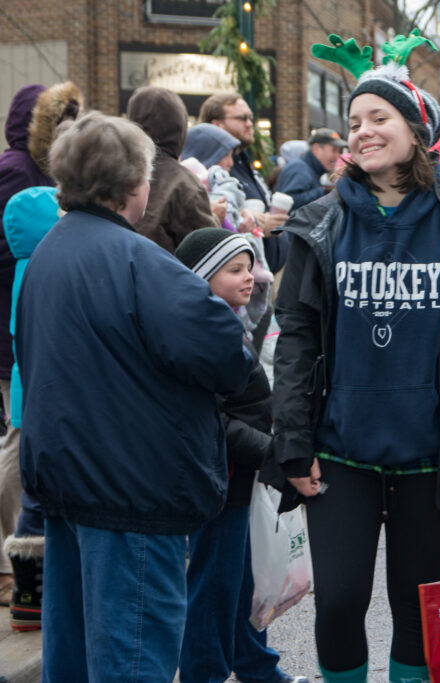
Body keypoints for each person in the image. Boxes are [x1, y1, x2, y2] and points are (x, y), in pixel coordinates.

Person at [272, 34, 440, 683]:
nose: (363, 131)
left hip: (431, 457)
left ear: (417, 129)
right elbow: (295, 335)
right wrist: (292, 440)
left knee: (418, 607)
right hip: (341, 451)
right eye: (355, 121)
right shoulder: (318, 222)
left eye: (379, 117)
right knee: (342, 599)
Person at [16, 111, 252, 680]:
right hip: (134, 491)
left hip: (68, 482)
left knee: (71, 661)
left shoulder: (49, 253)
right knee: (132, 663)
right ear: (132, 186)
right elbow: (226, 354)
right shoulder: (138, 260)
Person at [175, 228, 308, 683]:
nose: (250, 277)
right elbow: (214, 419)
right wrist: (271, 453)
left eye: (250, 266)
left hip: (238, 474)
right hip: (221, 477)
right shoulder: (203, 331)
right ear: (202, 277)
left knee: (240, 582)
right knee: (215, 586)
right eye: (235, 270)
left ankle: (255, 666)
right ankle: (205, 674)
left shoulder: (231, 320)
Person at [0, 80, 81, 610]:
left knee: (25, 436)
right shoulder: (16, 172)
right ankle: (13, 564)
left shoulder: (43, 174)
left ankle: (26, 565)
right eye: (63, 119)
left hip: (29, 319)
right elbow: (12, 251)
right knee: (17, 441)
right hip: (16, 324)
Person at [1, 186, 59, 631]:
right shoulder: (45, 268)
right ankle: (34, 592)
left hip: (27, 392)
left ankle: (26, 593)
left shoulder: (25, 267)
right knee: (33, 489)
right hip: (42, 395)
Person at [200, 93, 289, 271]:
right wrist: (255, 223)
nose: (249, 124)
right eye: (242, 118)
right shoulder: (213, 169)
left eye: (250, 118)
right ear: (217, 124)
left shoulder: (241, 160)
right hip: (238, 282)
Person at [127, 86, 217, 252]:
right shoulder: (183, 183)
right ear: (181, 130)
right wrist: (216, 218)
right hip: (162, 274)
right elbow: (209, 250)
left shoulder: (116, 173)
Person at [276, 128, 342, 210]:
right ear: (317, 149)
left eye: (338, 151)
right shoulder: (299, 168)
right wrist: (324, 191)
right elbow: (290, 201)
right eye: (334, 150)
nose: (337, 156)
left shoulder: (310, 169)